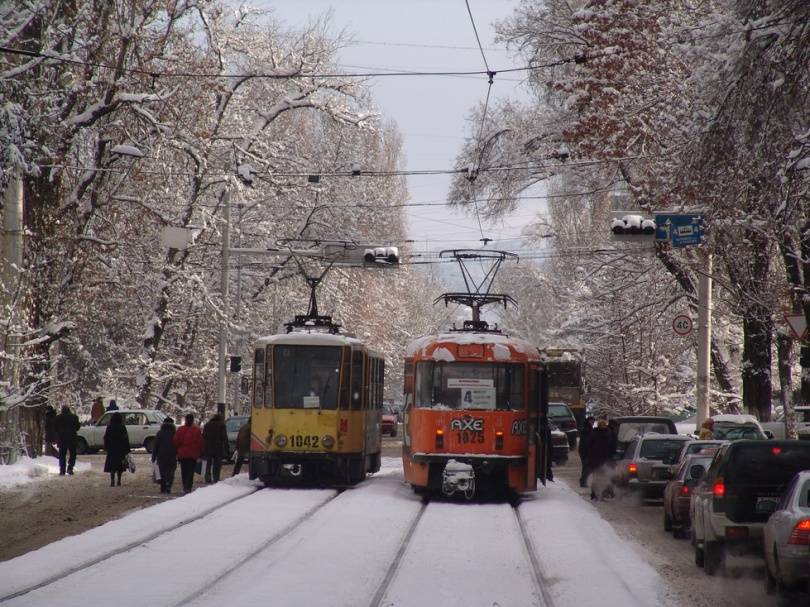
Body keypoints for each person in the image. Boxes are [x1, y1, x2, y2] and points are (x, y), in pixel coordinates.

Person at [173, 413, 204, 493]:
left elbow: (176, 441)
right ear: (193, 420)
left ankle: (185, 486)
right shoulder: (196, 430)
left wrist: (177, 450)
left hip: (183, 454)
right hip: (193, 455)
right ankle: (188, 487)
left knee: (184, 471)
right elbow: (200, 442)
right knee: (190, 471)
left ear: (185, 420)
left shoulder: (180, 429)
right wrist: (201, 452)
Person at [587, 417, 616, 501]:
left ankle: (594, 494)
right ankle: (603, 493)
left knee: (596, 477)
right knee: (604, 477)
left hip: (595, 459)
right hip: (605, 460)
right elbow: (612, 447)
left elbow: (589, 445)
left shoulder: (594, 433)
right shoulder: (609, 434)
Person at [151, 416, 177, 494]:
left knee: (162, 471)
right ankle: (169, 484)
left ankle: (163, 486)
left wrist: (154, 456)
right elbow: (177, 444)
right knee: (171, 470)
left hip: (161, 455)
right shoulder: (175, 433)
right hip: (172, 455)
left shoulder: (160, 433)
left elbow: (156, 445)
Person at [103, 412, 130, 487]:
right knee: (119, 466)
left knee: (112, 466)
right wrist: (127, 449)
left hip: (112, 449)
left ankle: (112, 481)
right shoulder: (122, 427)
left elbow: (106, 437)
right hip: (120, 449)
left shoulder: (109, 427)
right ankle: (119, 481)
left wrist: (106, 447)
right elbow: (125, 438)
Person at [202, 413, 229, 484]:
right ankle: (216, 478)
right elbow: (224, 437)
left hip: (208, 446)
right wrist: (227, 448)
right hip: (218, 447)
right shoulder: (222, 425)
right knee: (217, 464)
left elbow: (204, 436)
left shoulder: (207, 425)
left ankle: (207, 478)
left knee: (208, 463)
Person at [54, 405, 80, 475]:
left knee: (62, 455)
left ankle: (62, 470)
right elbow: (77, 427)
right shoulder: (74, 417)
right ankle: (70, 468)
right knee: (73, 454)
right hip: (72, 438)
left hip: (62, 438)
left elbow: (55, 428)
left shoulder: (58, 418)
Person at [578, 416, 595, 488]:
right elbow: (586, 441)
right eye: (591, 421)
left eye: (593, 421)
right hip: (585, 450)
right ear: (588, 421)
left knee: (587, 466)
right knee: (586, 466)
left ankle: (583, 481)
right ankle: (583, 481)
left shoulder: (588, 428)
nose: (593, 422)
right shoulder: (587, 429)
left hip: (584, 450)